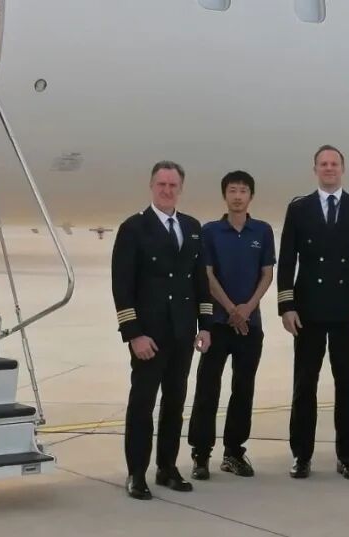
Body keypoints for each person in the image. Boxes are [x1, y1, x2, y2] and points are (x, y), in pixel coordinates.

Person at [111, 160, 213, 500]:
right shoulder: (134, 228)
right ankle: (136, 473)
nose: (167, 190)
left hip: (182, 333)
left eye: (173, 185)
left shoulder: (192, 227)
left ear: (180, 189)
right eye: (161, 185)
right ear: (151, 186)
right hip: (149, 336)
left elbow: (200, 282)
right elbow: (122, 286)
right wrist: (133, 334)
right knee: (142, 405)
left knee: (175, 403)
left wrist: (205, 326)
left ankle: (167, 467)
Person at [277, 144, 349, 480]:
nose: (329, 168)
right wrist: (286, 306)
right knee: (304, 386)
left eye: (334, 163)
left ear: (342, 169)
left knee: (347, 386)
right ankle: (301, 455)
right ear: (315, 170)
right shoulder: (299, 208)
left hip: (347, 313)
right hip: (307, 312)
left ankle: (346, 456)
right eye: (323, 164)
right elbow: (287, 259)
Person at [187, 171, 275, 480]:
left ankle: (234, 453)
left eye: (243, 191)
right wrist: (230, 309)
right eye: (232, 191)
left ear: (251, 196)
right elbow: (207, 275)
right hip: (217, 324)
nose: (238, 196)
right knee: (207, 388)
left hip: (250, 325)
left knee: (243, 389)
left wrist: (247, 308)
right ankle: (200, 454)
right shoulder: (210, 231)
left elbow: (267, 274)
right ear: (225, 195)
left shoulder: (262, 231)